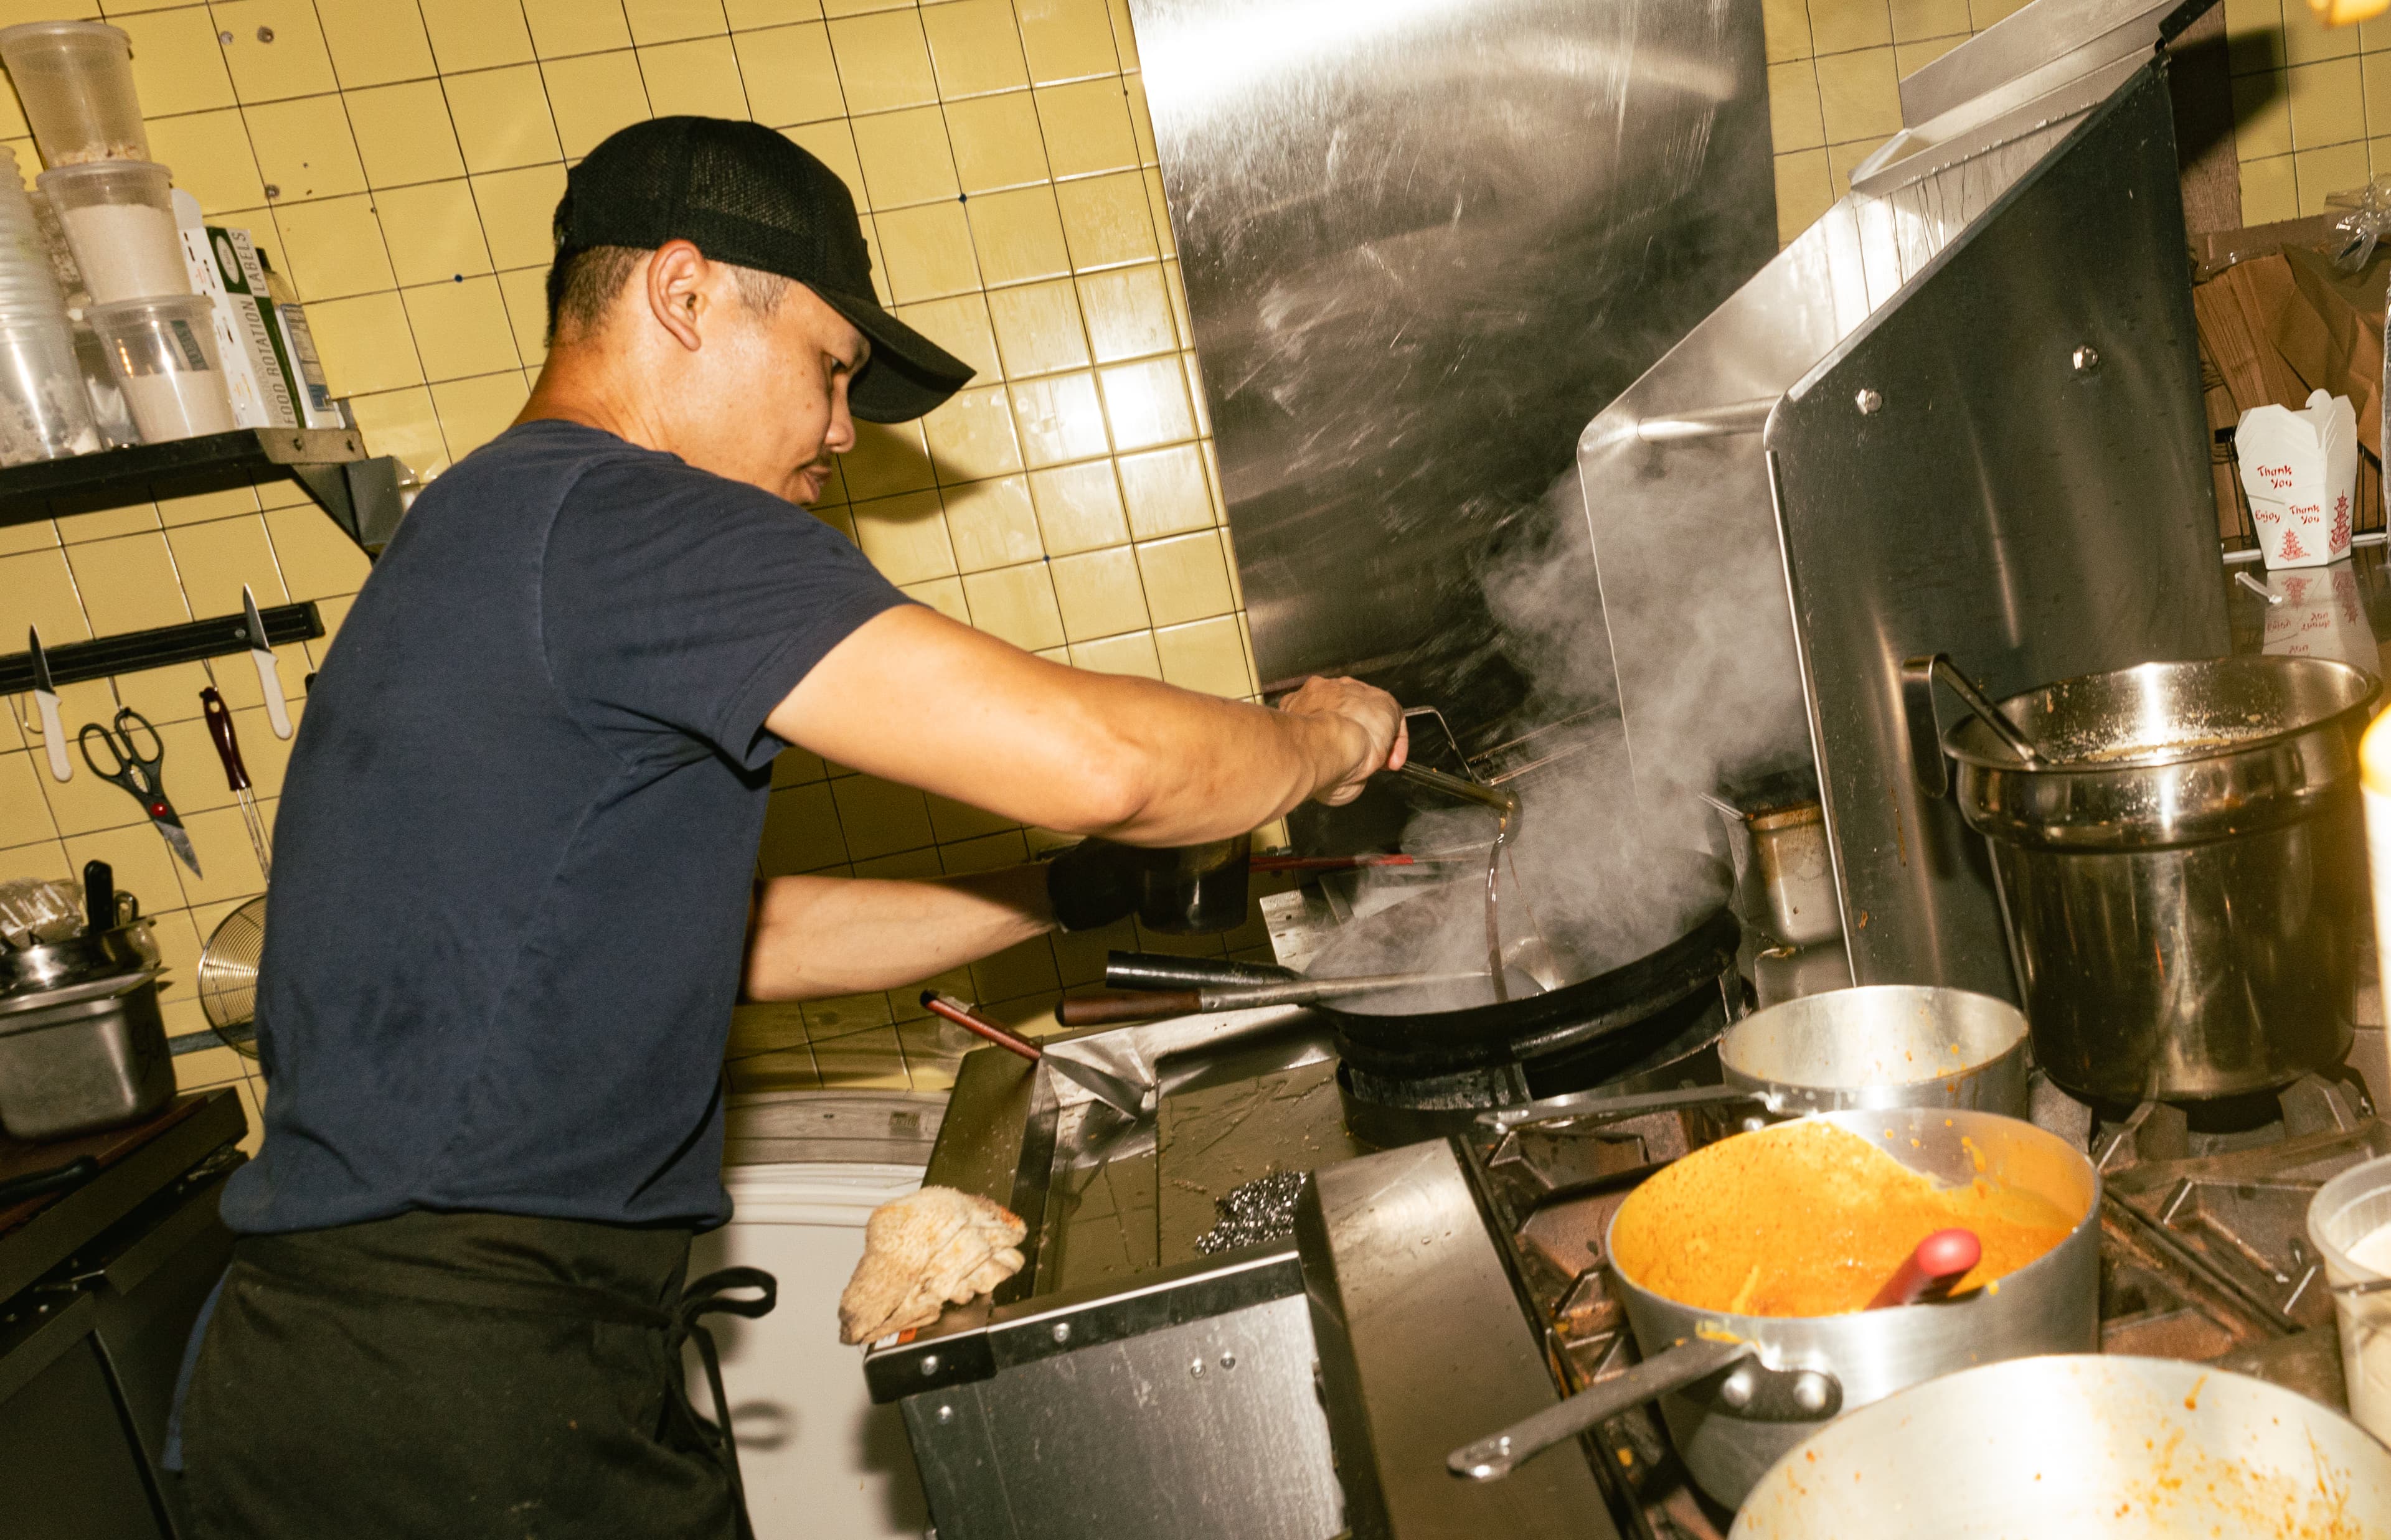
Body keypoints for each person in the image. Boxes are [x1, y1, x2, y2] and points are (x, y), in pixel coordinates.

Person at [174, 116, 1404, 1540]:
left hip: (392, 1371)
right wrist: (1316, 741)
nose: (840, 428)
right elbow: (1103, 759)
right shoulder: (626, 514)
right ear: (684, 295)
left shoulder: (496, 531)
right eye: (830, 368)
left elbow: (744, 938)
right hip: (450, 1391)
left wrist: (1070, 896)